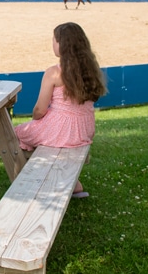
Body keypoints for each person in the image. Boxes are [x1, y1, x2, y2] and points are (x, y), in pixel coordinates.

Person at [13, 22, 107, 198]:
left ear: (61, 44)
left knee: (17, 133)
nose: (52, 43)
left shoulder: (54, 73)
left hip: (61, 130)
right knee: (38, 136)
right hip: (84, 130)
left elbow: (40, 109)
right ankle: (71, 182)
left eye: (54, 40)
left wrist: (35, 119)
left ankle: (31, 182)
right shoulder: (91, 70)